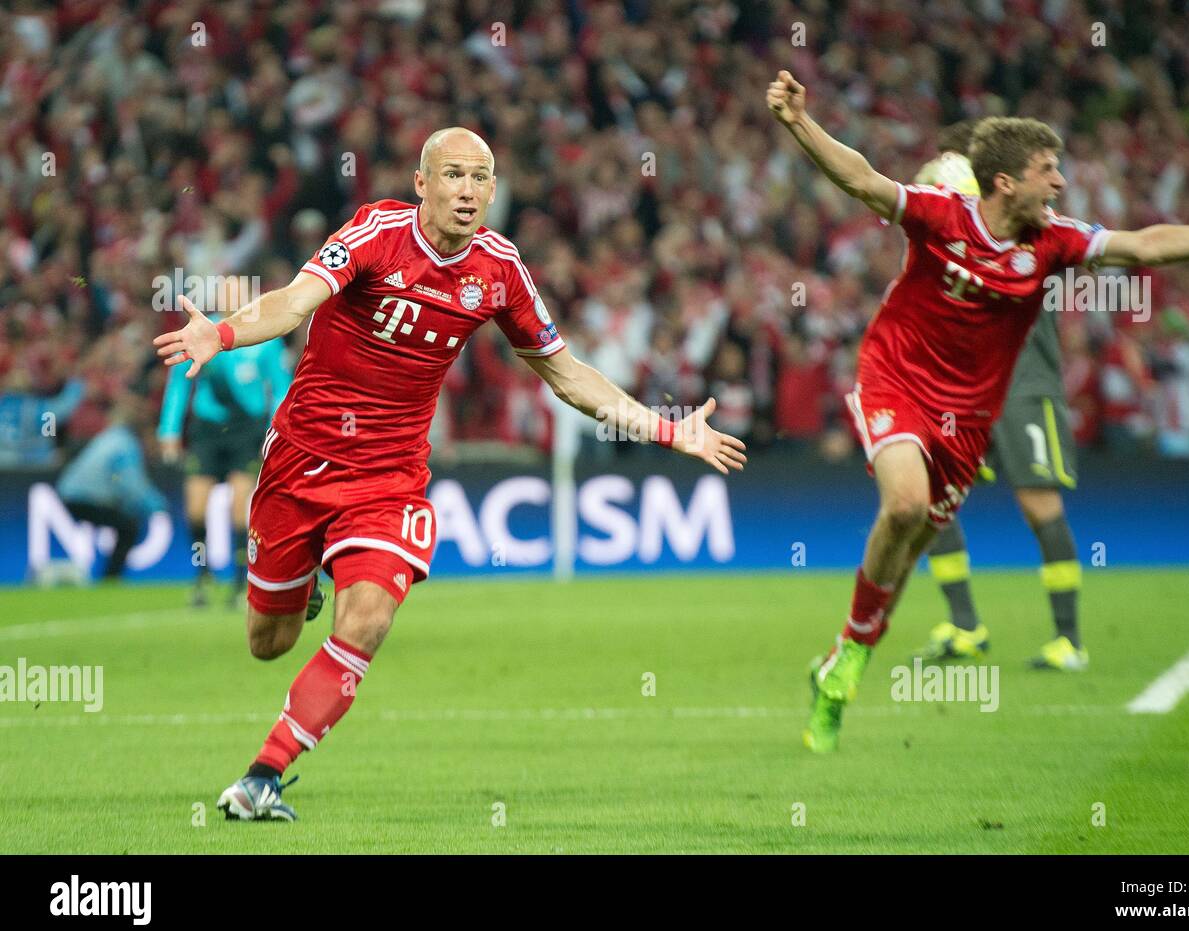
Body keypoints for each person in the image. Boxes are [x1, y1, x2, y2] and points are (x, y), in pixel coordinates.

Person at [153, 127, 747, 820]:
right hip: (303, 459)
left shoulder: (499, 270)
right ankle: (310, 578)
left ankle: (264, 775)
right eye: (453, 175)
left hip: (390, 477)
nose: (467, 191)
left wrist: (665, 426)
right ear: (422, 183)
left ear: (493, 191)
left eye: (480, 178)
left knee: (368, 617)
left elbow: (566, 375)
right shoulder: (374, 233)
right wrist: (219, 333)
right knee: (268, 642)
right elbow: (291, 300)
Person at [766, 69, 1189, 753]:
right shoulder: (941, 215)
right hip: (897, 378)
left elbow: (1147, 244)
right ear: (1006, 182)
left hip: (970, 417)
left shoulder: (1055, 242)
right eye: (1049, 171)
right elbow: (864, 180)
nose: (1061, 184)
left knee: (914, 540)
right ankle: (856, 657)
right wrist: (799, 123)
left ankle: (845, 653)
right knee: (901, 506)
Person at [911, 123, 1091, 672]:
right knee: (929, 502)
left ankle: (1069, 640)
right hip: (960, 385)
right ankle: (966, 627)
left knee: (1038, 503)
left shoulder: (1027, 218)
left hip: (1021, 379)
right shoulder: (952, 220)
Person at [158, 324, 292, 607]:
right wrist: (168, 431)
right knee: (195, 509)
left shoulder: (264, 336)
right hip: (207, 431)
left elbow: (281, 387)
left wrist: (274, 430)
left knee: (238, 509)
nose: (229, 295)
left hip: (246, 431)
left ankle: (239, 580)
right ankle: (201, 577)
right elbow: (179, 383)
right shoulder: (203, 330)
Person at [56, 396, 167, 580]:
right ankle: (111, 578)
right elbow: (132, 485)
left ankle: (110, 576)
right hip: (84, 497)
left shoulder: (109, 436)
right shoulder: (125, 444)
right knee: (129, 527)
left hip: (71, 494)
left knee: (124, 525)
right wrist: (158, 505)